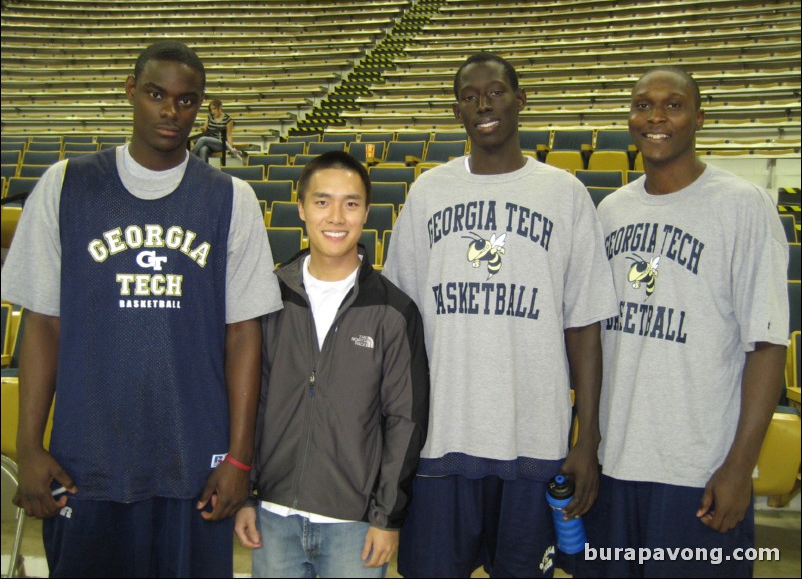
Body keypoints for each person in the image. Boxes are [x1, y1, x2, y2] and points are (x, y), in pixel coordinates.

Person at [1, 40, 283, 578]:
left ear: (200, 107)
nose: (171, 111)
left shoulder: (231, 199)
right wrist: (28, 446)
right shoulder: (65, 185)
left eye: (186, 100)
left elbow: (244, 335)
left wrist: (239, 460)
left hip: (195, 464)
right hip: (88, 460)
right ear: (131, 91)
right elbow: (43, 323)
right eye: (156, 94)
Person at [382, 52, 618, 578]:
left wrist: (587, 440)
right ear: (456, 110)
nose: (483, 104)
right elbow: (400, 327)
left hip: (535, 439)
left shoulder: (565, 195)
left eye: (496, 91)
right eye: (469, 96)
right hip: (440, 440)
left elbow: (584, 327)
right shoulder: (427, 193)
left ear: (521, 100)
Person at [575, 67, 789, 578]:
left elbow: (766, 345)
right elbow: (596, 343)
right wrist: (587, 442)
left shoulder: (743, 205)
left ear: (698, 117)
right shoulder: (611, 212)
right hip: (616, 467)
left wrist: (739, 467)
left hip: (698, 472)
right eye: (642, 104)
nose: (655, 117)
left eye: (672, 105)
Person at [233, 151, 429, 578]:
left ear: (367, 212)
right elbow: (251, 401)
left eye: (351, 203)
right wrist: (246, 495)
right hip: (273, 516)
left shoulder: (393, 310)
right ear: (301, 208)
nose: (336, 217)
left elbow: (404, 421)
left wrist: (387, 517)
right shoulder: (268, 297)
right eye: (322, 202)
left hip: (355, 527)